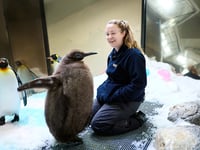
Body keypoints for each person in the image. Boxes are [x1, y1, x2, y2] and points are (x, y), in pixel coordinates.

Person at [90, 19, 147, 136]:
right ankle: (113, 112)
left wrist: (113, 96)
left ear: (123, 33)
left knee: (98, 125)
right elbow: (111, 78)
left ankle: (137, 119)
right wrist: (101, 91)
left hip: (130, 99)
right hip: (114, 95)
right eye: (107, 34)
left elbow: (138, 86)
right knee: (85, 117)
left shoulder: (134, 56)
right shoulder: (113, 54)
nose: (109, 37)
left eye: (113, 33)